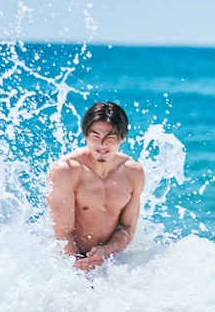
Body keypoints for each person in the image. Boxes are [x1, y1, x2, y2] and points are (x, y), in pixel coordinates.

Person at [46, 101, 146, 271]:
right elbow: (63, 234)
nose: (102, 144)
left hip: (109, 261)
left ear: (122, 137)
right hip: (66, 264)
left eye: (110, 138)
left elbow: (127, 228)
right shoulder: (67, 171)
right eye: (95, 136)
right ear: (85, 135)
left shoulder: (133, 173)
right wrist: (80, 269)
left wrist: (106, 251)